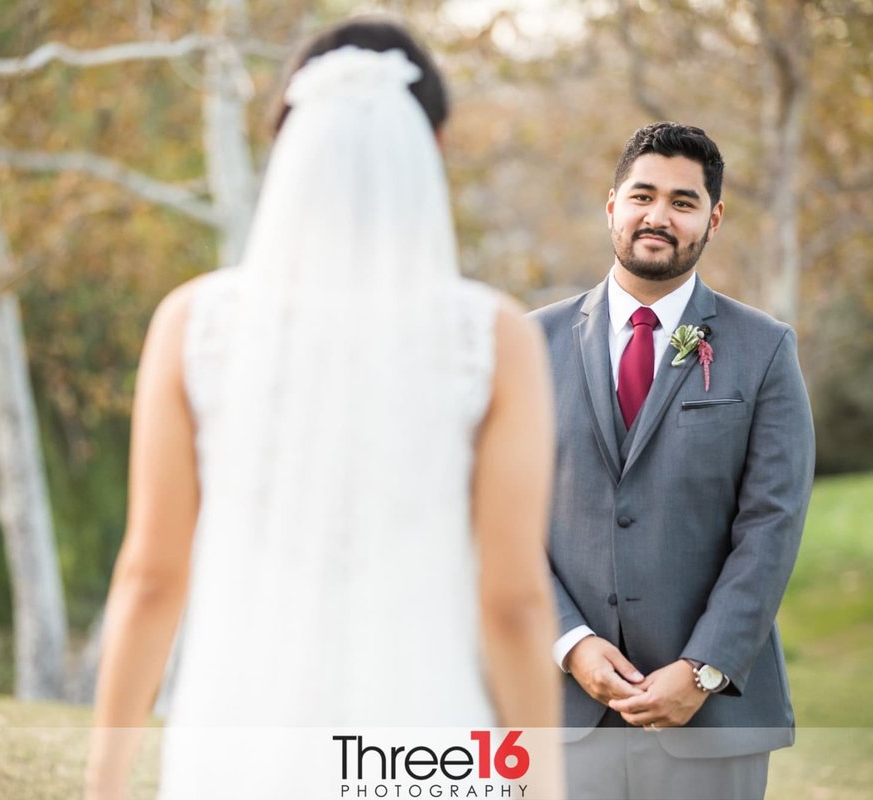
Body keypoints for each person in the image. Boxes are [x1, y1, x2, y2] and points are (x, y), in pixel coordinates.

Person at [85, 19, 562, 800]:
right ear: (432, 149)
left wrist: (103, 786)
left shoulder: (194, 325)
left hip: (231, 747)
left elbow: (149, 578)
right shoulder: (492, 338)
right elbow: (512, 603)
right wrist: (543, 788)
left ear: (287, 144)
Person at [531, 122, 815, 800]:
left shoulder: (764, 349)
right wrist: (568, 641)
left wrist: (704, 669)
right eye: (643, 195)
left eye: (683, 202)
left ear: (712, 220)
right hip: (556, 718)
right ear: (612, 206)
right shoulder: (527, 343)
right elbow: (495, 519)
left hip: (714, 719)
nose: (659, 216)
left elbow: (772, 524)